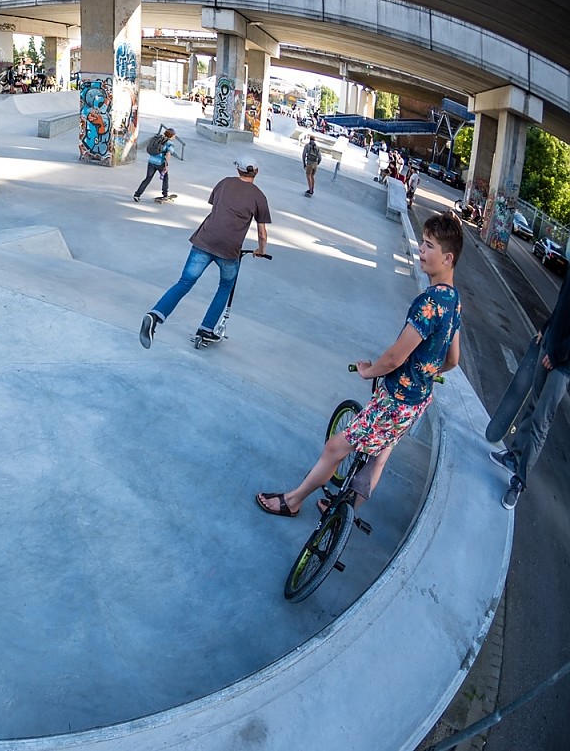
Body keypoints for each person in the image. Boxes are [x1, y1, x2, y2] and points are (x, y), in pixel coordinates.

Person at [256, 212, 462, 518]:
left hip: (394, 400)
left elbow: (394, 358)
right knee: (379, 456)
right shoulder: (454, 300)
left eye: (428, 245)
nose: (421, 249)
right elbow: (453, 359)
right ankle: (345, 512)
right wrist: (426, 373)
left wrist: (368, 371)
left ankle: (293, 500)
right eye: (422, 242)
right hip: (416, 403)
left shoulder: (429, 302)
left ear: (447, 258)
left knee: (335, 449)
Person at [139, 155, 271, 348]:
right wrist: (261, 250)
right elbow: (262, 233)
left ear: (238, 170)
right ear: (256, 172)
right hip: (229, 249)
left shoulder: (225, 183)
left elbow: (216, 206)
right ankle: (206, 329)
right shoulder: (259, 196)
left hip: (205, 240)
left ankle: (155, 315)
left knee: (185, 282)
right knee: (225, 286)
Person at [490, 276, 570, 509]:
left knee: (540, 423)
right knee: (532, 407)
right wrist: (545, 328)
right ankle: (513, 457)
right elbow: (562, 307)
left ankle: (518, 483)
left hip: (562, 365)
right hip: (549, 344)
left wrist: (556, 356)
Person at [132, 128, 177, 203]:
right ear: (172, 135)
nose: (175, 137)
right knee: (165, 178)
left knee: (147, 179)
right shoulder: (170, 143)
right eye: (175, 135)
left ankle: (137, 195)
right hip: (160, 163)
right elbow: (168, 154)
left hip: (151, 162)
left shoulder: (158, 139)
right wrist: (166, 165)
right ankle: (165, 194)